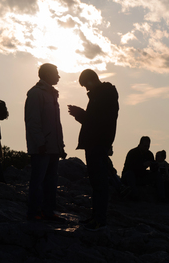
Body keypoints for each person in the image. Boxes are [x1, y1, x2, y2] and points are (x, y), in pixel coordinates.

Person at [68, 69, 119, 231]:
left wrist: (80, 114)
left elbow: (98, 122)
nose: (86, 90)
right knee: (96, 182)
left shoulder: (105, 96)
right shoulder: (101, 95)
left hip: (98, 143)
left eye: (86, 86)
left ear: (91, 81)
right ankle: (96, 217)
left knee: (100, 183)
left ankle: (99, 219)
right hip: (95, 143)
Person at [25, 63, 66, 222]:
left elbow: (57, 124)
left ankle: (48, 211)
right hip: (42, 147)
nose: (59, 76)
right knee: (38, 181)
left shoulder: (52, 94)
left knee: (51, 181)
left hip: (53, 147)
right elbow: (32, 121)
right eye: (56, 73)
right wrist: (40, 143)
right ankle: (34, 212)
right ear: (47, 74)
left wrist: (60, 146)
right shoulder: (36, 93)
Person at [121, 136, 165, 201]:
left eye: (148, 146)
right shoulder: (132, 153)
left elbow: (153, 170)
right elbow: (130, 168)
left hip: (141, 177)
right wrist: (143, 165)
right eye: (145, 146)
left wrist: (155, 165)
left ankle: (162, 197)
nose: (146, 148)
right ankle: (135, 195)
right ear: (140, 144)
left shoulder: (149, 154)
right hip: (129, 176)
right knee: (130, 174)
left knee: (157, 175)